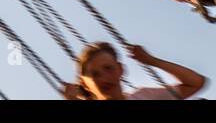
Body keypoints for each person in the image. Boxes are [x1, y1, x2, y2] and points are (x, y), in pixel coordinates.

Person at [63, 42, 206, 100]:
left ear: (120, 69)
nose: (104, 78)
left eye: (108, 68)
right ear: (84, 83)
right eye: (95, 74)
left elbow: (195, 83)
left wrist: (152, 61)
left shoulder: (143, 96)